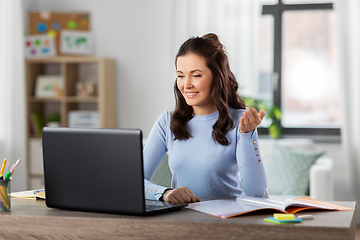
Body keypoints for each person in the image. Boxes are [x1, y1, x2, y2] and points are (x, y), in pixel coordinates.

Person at [143, 33, 267, 204]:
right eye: (180, 75)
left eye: (196, 75)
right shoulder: (166, 122)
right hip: (184, 220)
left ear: (217, 77)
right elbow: (135, 181)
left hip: (227, 221)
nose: (186, 84)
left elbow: (256, 193)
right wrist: (165, 193)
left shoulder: (239, 120)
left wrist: (247, 134)